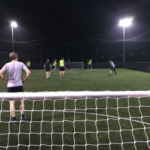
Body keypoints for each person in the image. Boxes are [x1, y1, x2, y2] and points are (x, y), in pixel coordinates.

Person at [0, 52, 31, 125]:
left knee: (11, 103)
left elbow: (0, 73)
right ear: (17, 57)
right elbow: (28, 72)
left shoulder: (7, 65)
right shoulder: (21, 64)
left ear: (10, 58)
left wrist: (4, 79)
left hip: (10, 86)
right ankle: (22, 117)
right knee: (21, 101)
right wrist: (24, 80)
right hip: (19, 85)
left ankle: (14, 119)